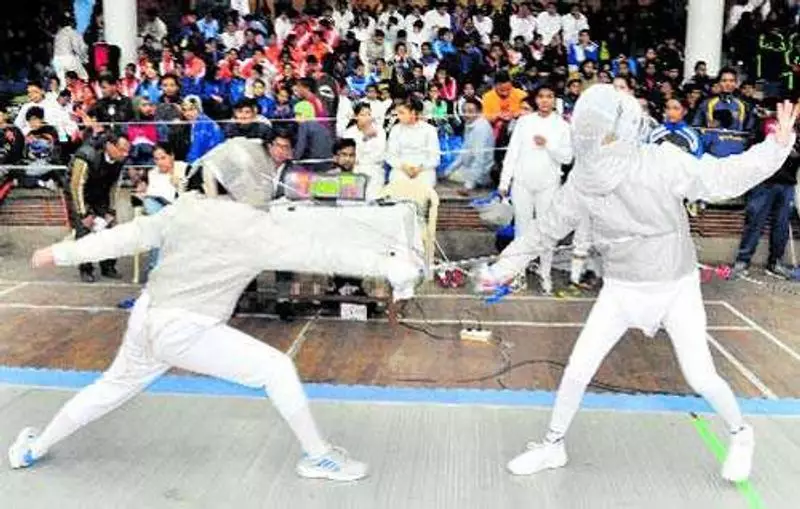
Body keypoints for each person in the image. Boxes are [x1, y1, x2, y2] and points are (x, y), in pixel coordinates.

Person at [478, 85, 798, 483]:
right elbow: (545, 230)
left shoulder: (661, 160)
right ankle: (553, 445)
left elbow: (721, 178)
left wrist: (775, 147)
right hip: (621, 289)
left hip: (675, 286)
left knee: (700, 375)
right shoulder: (584, 180)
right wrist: (502, 268)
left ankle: (741, 433)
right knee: (578, 368)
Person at [9, 138, 378, 482]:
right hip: (185, 329)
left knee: (110, 387)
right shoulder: (257, 228)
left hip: (148, 315)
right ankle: (318, 456)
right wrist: (390, 265)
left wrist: (60, 253)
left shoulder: (186, 208)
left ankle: (33, 448)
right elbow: (323, 255)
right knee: (276, 369)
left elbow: (129, 236)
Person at [499, 87, 572, 294]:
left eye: (549, 96)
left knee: (546, 230)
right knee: (521, 229)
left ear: (555, 100)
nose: (545, 100)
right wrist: (504, 182)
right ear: (536, 99)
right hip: (522, 182)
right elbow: (512, 153)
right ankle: (518, 273)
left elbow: (567, 157)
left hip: (548, 184)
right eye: (541, 96)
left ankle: (545, 273)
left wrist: (548, 145)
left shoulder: (562, 126)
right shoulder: (524, 122)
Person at [63, 133, 132, 282]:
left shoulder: (119, 162)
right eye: (121, 149)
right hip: (80, 195)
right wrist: (83, 213)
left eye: (127, 150)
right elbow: (76, 186)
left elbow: (114, 187)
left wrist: (111, 210)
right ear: (109, 146)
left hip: (101, 194)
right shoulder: (86, 155)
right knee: (84, 231)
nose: (125, 154)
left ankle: (108, 266)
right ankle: (86, 268)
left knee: (110, 229)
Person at [385, 97, 440, 187]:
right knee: (398, 185)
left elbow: (435, 157)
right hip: (401, 168)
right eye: (398, 113)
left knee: (422, 187)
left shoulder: (429, 130)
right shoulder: (396, 129)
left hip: (424, 170)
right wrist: (403, 167)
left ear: (413, 113)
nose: (398, 116)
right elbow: (391, 155)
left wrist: (420, 168)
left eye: (402, 113)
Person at [343, 103, 387, 199]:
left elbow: (380, 154)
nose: (367, 118)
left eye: (369, 114)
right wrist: (365, 138)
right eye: (363, 115)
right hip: (356, 168)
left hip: (375, 168)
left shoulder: (379, 131)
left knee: (372, 194)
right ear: (356, 117)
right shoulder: (349, 133)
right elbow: (350, 155)